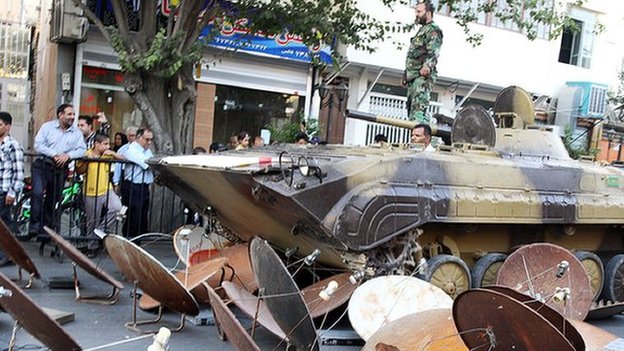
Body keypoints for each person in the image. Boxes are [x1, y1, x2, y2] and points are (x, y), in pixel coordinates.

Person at [29, 104, 86, 240]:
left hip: (60, 169)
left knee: (53, 200)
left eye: (73, 114)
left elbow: (81, 149)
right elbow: (38, 144)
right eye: (69, 114)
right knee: (37, 193)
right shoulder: (47, 127)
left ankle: (45, 231)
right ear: (60, 115)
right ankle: (34, 226)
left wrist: (68, 156)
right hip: (43, 165)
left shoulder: (76, 133)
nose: (72, 117)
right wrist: (55, 154)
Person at [77, 133, 124, 256]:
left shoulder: (107, 154)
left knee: (116, 208)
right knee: (92, 220)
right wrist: (87, 161)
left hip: (106, 189)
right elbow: (79, 170)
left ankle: (99, 231)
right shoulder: (87, 154)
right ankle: (92, 246)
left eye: (108, 144)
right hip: (91, 190)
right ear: (96, 144)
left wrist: (113, 153)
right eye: (105, 144)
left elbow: (123, 158)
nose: (107, 146)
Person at [404, 1, 443, 123]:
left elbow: (434, 51)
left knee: (418, 112)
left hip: (422, 77)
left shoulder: (433, 30)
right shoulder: (422, 30)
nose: (416, 14)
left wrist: (427, 66)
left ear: (429, 13)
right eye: (416, 11)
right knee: (412, 113)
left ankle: (423, 138)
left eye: (419, 11)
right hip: (414, 77)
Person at [120, 128, 154, 240]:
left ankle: (137, 239)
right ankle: (130, 239)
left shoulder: (146, 150)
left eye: (151, 140)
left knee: (142, 215)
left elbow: (151, 160)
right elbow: (147, 163)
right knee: (134, 215)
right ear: (139, 137)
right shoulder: (132, 149)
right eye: (147, 139)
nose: (149, 142)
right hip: (133, 186)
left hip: (143, 185)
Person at [0, 112, 24, 266]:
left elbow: (19, 171)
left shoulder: (13, 145)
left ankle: (6, 254)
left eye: (0, 124)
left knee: (4, 226)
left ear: (8, 126)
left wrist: (12, 192)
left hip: (4, 190)